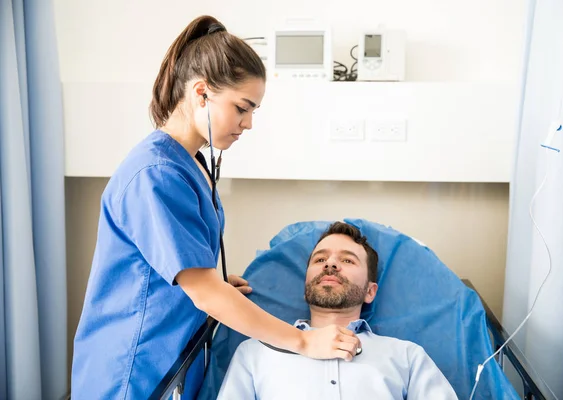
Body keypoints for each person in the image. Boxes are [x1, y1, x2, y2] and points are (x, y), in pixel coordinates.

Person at [70, 16, 360, 400]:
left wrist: (215, 283)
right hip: (134, 370)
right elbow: (203, 293)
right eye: (243, 107)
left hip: (173, 360)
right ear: (202, 93)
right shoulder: (155, 175)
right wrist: (304, 342)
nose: (249, 123)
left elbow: (181, 271)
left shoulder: (192, 164)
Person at [216, 222, 459, 400]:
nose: (331, 264)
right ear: (305, 287)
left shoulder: (406, 357)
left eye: (348, 260)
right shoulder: (254, 353)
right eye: (320, 260)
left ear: (370, 292)